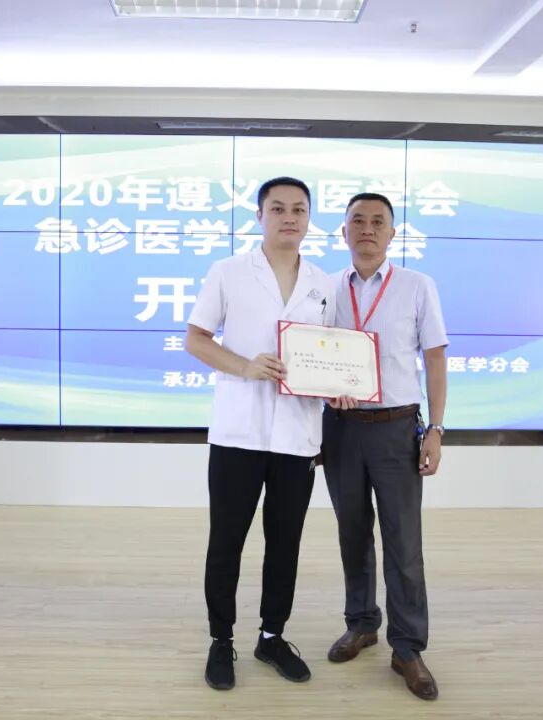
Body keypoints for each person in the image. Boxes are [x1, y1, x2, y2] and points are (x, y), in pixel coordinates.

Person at [185, 177, 336, 691]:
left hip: (297, 436)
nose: (289, 217)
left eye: (299, 209)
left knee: (285, 543)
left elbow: (334, 354)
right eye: (278, 208)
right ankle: (220, 640)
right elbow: (196, 340)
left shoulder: (324, 283)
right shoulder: (228, 272)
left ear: (309, 218)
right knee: (226, 542)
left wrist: (339, 389)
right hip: (238, 433)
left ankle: (272, 637)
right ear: (259, 215)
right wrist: (245, 367)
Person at [321, 192, 449, 701]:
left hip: (397, 429)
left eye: (378, 222)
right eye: (358, 220)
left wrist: (436, 429)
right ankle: (361, 623)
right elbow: (311, 357)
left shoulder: (417, 286)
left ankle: (408, 648)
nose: (367, 229)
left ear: (393, 234)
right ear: (344, 232)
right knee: (352, 533)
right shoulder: (325, 289)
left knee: (403, 541)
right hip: (341, 429)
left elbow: (435, 359)